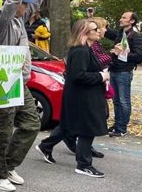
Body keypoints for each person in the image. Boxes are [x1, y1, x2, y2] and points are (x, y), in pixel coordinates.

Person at [0, 0, 52, 192]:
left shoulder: (20, 21)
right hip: (2, 82)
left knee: (31, 124)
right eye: (26, 4)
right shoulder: (3, 21)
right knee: (3, 129)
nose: (29, 7)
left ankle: (8, 165)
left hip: (19, 82)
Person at [35, 20, 109, 177]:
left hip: (81, 95)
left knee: (68, 125)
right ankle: (83, 164)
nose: (99, 31)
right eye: (95, 29)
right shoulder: (81, 51)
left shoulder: (85, 50)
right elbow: (78, 75)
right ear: (84, 33)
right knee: (86, 129)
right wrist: (101, 76)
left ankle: (46, 146)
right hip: (83, 97)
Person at [107, 11, 142, 137]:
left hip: (124, 72)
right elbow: (108, 33)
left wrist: (122, 53)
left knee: (123, 101)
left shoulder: (136, 37)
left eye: (124, 17)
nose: (120, 19)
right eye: (121, 16)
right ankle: (117, 125)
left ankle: (122, 128)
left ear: (132, 21)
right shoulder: (121, 34)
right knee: (116, 100)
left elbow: (139, 56)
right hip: (114, 70)